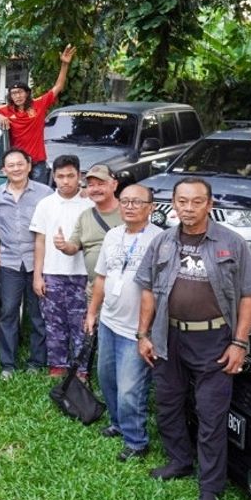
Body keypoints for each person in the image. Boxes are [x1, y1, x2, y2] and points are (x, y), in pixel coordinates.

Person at [134, 177, 251, 500]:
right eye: (182, 201)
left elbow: (250, 295)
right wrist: (143, 334)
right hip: (168, 336)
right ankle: (179, 461)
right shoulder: (162, 241)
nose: (188, 208)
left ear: (209, 204)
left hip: (214, 340)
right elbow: (147, 289)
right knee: (168, 404)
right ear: (173, 204)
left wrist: (239, 342)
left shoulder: (232, 243)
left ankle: (210, 489)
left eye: (196, 202)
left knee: (210, 415)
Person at [83, 184, 160, 462]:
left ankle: (136, 441)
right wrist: (93, 313)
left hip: (136, 330)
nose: (129, 206)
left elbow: (158, 290)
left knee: (131, 388)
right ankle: (117, 423)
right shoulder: (113, 235)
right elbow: (101, 277)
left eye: (136, 202)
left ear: (151, 207)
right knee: (107, 378)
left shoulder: (160, 240)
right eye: (125, 201)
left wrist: (145, 332)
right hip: (109, 321)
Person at [0, 148, 54, 380]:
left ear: (28, 165)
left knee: (37, 313)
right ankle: (8, 363)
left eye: (19, 164)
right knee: (8, 312)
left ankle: (37, 361)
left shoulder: (45, 193)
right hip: (10, 261)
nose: (15, 169)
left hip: (38, 261)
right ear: (4, 170)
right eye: (10, 165)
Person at [0, 45, 75, 183]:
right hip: (17, 164)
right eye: (13, 93)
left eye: (20, 92)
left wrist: (64, 64)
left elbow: (58, 87)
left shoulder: (38, 105)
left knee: (38, 197)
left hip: (37, 162)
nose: (17, 96)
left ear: (27, 93)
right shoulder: (6, 110)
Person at [30, 154, 94, 378]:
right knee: (54, 323)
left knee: (81, 323)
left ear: (79, 176)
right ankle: (57, 365)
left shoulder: (90, 203)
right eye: (60, 176)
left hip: (82, 274)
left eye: (70, 176)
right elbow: (39, 241)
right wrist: (38, 275)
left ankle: (81, 369)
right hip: (52, 273)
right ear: (54, 177)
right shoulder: (46, 204)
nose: (65, 181)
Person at [59, 164, 123, 284]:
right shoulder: (85, 216)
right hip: (93, 289)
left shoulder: (128, 212)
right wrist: (63, 246)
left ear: (114, 185)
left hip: (122, 291)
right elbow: (73, 246)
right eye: (91, 185)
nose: (95, 189)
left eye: (101, 184)